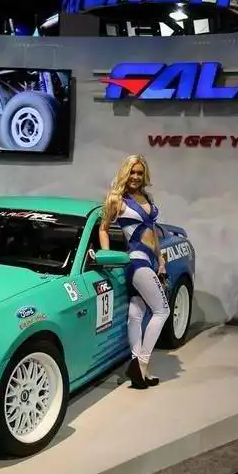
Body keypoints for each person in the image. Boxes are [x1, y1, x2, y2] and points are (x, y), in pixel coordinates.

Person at [99, 154, 170, 389]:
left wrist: (160, 260)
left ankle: (139, 371)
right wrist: (107, 256)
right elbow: (103, 228)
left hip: (150, 261)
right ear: (125, 173)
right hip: (136, 261)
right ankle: (140, 364)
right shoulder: (117, 199)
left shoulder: (147, 197)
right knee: (162, 311)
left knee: (136, 314)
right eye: (132, 172)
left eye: (140, 173)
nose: (136, 177)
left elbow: (153, 233)